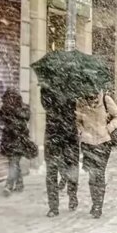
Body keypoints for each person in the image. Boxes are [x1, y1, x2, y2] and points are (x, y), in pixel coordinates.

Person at [75, 89, 117, 218]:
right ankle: (95, 201)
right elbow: (78, 120)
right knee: (92, 174)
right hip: (88, 143)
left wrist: (108, 128)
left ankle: (97, 206)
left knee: (99, 173)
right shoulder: (81, 102)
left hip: (103, 143)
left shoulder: (106, 99)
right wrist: (81, 131)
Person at [41, 84, 79, 217]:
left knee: (72, 167)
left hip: (69, 136)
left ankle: (72, 195)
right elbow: (46, 105)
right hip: (53, 136)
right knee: (51, 171)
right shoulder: (47, 88)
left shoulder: (74, 87)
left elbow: (77, 108)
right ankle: (53, 206)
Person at [0, 89, 31, 196]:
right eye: (7, 98)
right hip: (8, 140)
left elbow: (26, 118)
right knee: (13, 163)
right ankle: (20, 184)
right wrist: (3, 120)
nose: (9, 100)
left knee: (14, 162)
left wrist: (13, 115)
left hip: (19, 140)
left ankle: (9, 185)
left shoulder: (24, 107)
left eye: (11, 98)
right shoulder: (5, 108)